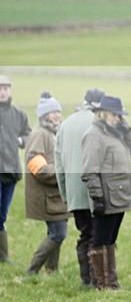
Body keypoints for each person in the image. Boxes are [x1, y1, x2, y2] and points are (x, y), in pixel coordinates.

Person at [81, 95, 131, 290]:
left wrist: (126, 128)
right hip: (106, 197)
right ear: (103, 113)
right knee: (101, 239)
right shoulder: (94, 134)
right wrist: (97, 196)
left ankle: (112, 282)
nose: (117, 119)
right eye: (115, 115)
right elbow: (90, 169)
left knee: (111, 238)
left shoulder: (116, 132)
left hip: (120, 196)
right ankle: (103, 283)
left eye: (120, 115)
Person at [56, 88, 105, 287]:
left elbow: (59, 166)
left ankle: (86, 279)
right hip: (97, 190)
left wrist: (66, 195)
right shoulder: (99, 124)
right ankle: (98, 279)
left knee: (84, 232)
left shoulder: (65, 125)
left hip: (75, 192)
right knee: (98, 233)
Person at [25, 92, 69, 275]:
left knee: (58, 233)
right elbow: (35, 163)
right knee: (58, 233)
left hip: (55, 195)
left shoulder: (53, 132)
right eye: (53, 112)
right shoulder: (40, 134)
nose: (57, 115)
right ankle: (32, 270)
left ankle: (52, 271)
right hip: (46, 196)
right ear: (44, 115)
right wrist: (61, 171)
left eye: (58, 111)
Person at [0, 74, 31, 263]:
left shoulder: (19, 114)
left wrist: (21, 140)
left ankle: (3, 256)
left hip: (10, 172)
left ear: (10, 90)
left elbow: (28, 134)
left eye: (5, 88)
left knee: (2, 216)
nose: (2, 92)